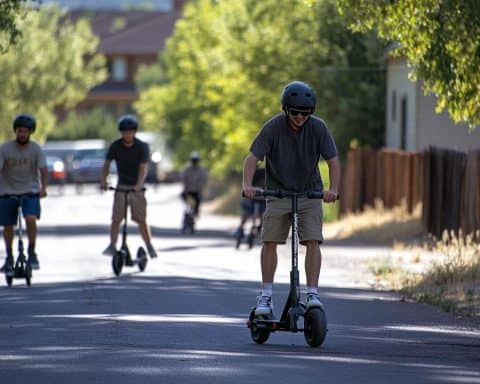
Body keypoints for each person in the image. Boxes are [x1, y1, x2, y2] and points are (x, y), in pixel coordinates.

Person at [242, 81, 340, 316]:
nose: (299, 117)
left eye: (305, 113)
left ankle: (313, 293)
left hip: (309, 192)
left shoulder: (318, 128)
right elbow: (252, 158)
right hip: (278, 192)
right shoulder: (273, 127)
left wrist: (333, 189)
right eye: (295, 112)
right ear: (286, 110)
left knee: (313, 240)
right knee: (270, 240)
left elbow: (333, 161)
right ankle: (266, 296)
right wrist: (247, 185)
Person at [100, 114, 157, 259]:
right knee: (116, 218)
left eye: (130, 131)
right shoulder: (116, 146)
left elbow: (143, 167)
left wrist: (139, 185)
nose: (127, 134)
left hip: (136, 188)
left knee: (141, 219)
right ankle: (112, 244)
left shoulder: (142, 147)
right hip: (122, 187)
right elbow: (107, 163)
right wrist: (103, 181)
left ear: (134, 132)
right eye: (125, 131)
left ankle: (149, 245)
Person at [0, 114, 48, 274]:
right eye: (19, 131)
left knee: (30, 218)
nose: (22, 134)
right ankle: (9, 256)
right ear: (16, 132)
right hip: (8, 191)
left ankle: (32, 252)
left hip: (30, 191)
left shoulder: (36, 149)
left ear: (30, 133)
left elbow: (43, 169)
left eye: (25, 132)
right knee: (8, 225)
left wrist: (44, 188)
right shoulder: (5, 149)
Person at [234, 166, 266, 240]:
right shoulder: (249, 174)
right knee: (246, 212)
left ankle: (260, 227)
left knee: (265, 213)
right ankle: (240, 228)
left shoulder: (265, 173)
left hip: (262, 198)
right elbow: (245, 187)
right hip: (251, 198)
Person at [181, 151, 208, 217]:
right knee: (183, 196)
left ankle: (196, 212)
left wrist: (201, 187)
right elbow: (183, 179)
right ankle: (188, 212)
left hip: (197, 192)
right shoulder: (187, 169)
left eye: (195, 160)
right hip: (188, 191)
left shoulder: (201, 170)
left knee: (198, 201)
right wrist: (186, 186)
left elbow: (204, 180)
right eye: (193, 160)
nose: (194, 161)